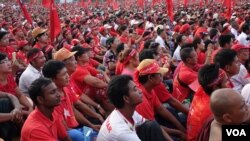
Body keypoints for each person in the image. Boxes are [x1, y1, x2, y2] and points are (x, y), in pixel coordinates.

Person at [97, 75, 171, 141]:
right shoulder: (121, 132)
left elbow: (151, 125)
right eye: (135, 89)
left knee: (152, 126)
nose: (140, 91)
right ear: (126, 98)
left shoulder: (126, 112)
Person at [134, 59, 186, 140]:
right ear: (150, 78)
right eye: (159, 74)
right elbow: (154, 127)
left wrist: (181, 128)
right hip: (144, 134)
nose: (162, 76)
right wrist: (179, 133)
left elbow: (161, 109)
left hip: (153, 124)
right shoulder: (141, 100)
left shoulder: (149, 89)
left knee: (169, 110)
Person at [187, 64, 228, 141]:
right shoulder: (215, 108)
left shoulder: (203, 88)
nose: (228, 84)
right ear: (215, 87)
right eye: (226, 81)